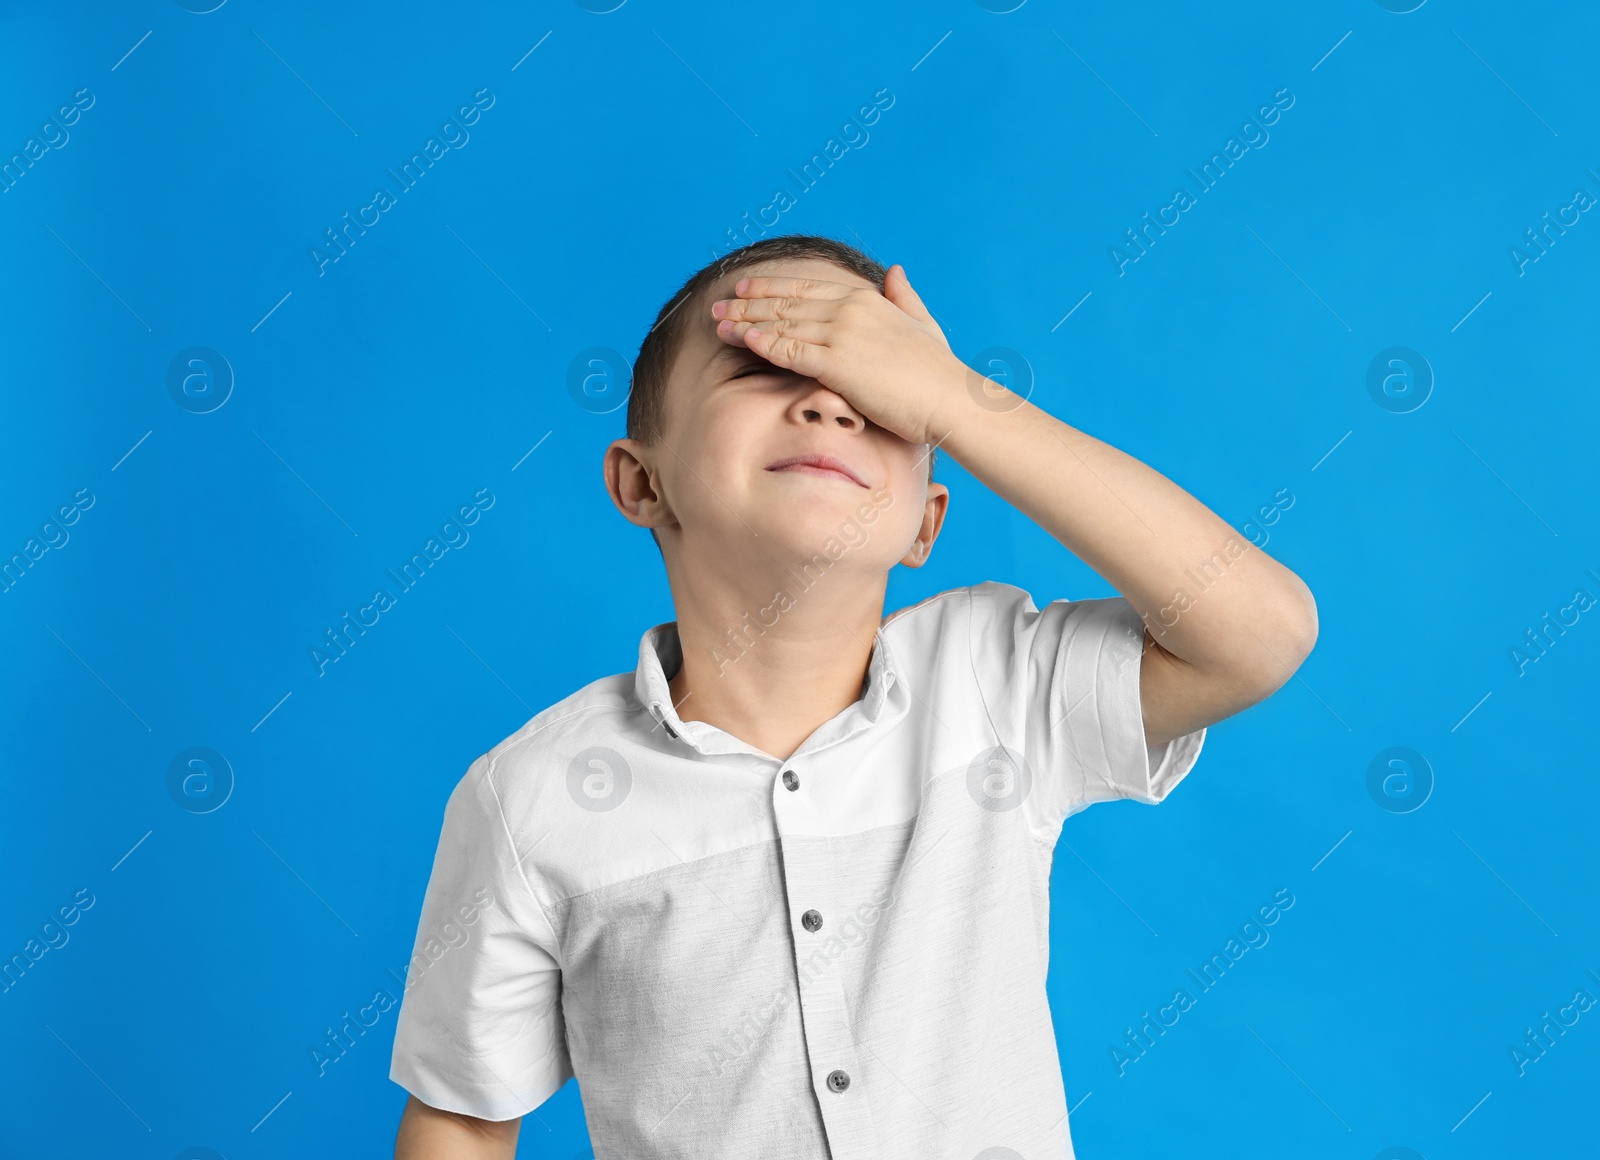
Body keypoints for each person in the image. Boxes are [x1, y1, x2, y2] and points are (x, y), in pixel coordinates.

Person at [389, 234, 1318, 1159]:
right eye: (760, 367)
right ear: (642, 481)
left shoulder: (995, 683)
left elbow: (1259, 634)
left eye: (878, 392)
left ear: (927, 522)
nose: (830, 401)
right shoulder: (534, 797)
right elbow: (465, 1117)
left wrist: (956, 397)